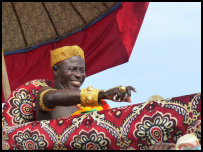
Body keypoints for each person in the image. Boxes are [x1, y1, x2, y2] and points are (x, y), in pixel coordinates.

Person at [35, 45, 136, 121]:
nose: (79, 75)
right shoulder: (46, 94)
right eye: (72, 69)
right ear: (55, 70)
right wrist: (103, 94)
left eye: (82, 70)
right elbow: (51, 97)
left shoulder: (95, 104)